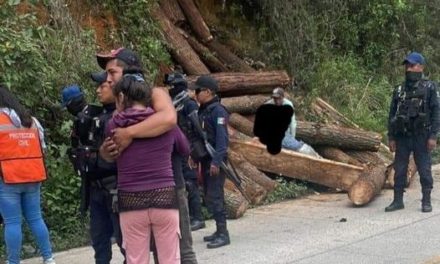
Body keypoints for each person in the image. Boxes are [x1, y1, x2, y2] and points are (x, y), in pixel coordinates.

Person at [105, 72, 181, 264]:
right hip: (164, 196)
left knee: (136, 259)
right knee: (170, 259)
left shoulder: (114, 125)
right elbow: (185, 148)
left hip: (131, 200)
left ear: (121, 97)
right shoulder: (166, 123)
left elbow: (109, 155)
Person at [0, 85, 55, 264]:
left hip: (7, 179)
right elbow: (43, 148)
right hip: (33, 176)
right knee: (36, 218)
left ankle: (13, 261)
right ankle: (48, 258)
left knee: (12, 222)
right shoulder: (31, 121)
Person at [386, 52, 440, 213]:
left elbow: (437, 112)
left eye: (412, 65)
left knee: (424, 169)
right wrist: (391, 137)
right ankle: (397, 200)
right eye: (407, 66)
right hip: (402, 136)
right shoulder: (399, 90)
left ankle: (426, 201)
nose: (408, 69)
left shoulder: (430, 87)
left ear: (421, 67)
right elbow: (392, 114)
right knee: (400, 169)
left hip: (422, 136)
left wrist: (433, 136)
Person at [189, 75, 230, 249]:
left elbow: (222, 141)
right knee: (208, 195)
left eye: (198, 90)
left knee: (215, 196)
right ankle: (218, 230)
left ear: (208, 92)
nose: (195, 93)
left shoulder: (218, 111)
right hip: (205, 160)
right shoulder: (203, 110)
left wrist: (216, 162)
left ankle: (223, 233)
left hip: (215, 161)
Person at [165, 72, 205, 232]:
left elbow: (198, 129)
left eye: (172, 86)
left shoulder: (189, 104)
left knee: (190, 183)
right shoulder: (174, 105)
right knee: (181, 184)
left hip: (189, 150)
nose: (170, 89)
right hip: (177, 150)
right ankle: (186, 217)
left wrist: (195, 151)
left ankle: (198, 217)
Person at [264, 87, 320, 157]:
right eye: (275, 99)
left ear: (283, 97)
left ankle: (315, 156)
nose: (277, 101)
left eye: (279, 99)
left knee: (294, 145)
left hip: (284, 133)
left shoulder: (288, 105)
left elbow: (292, 124)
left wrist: (292, 137)